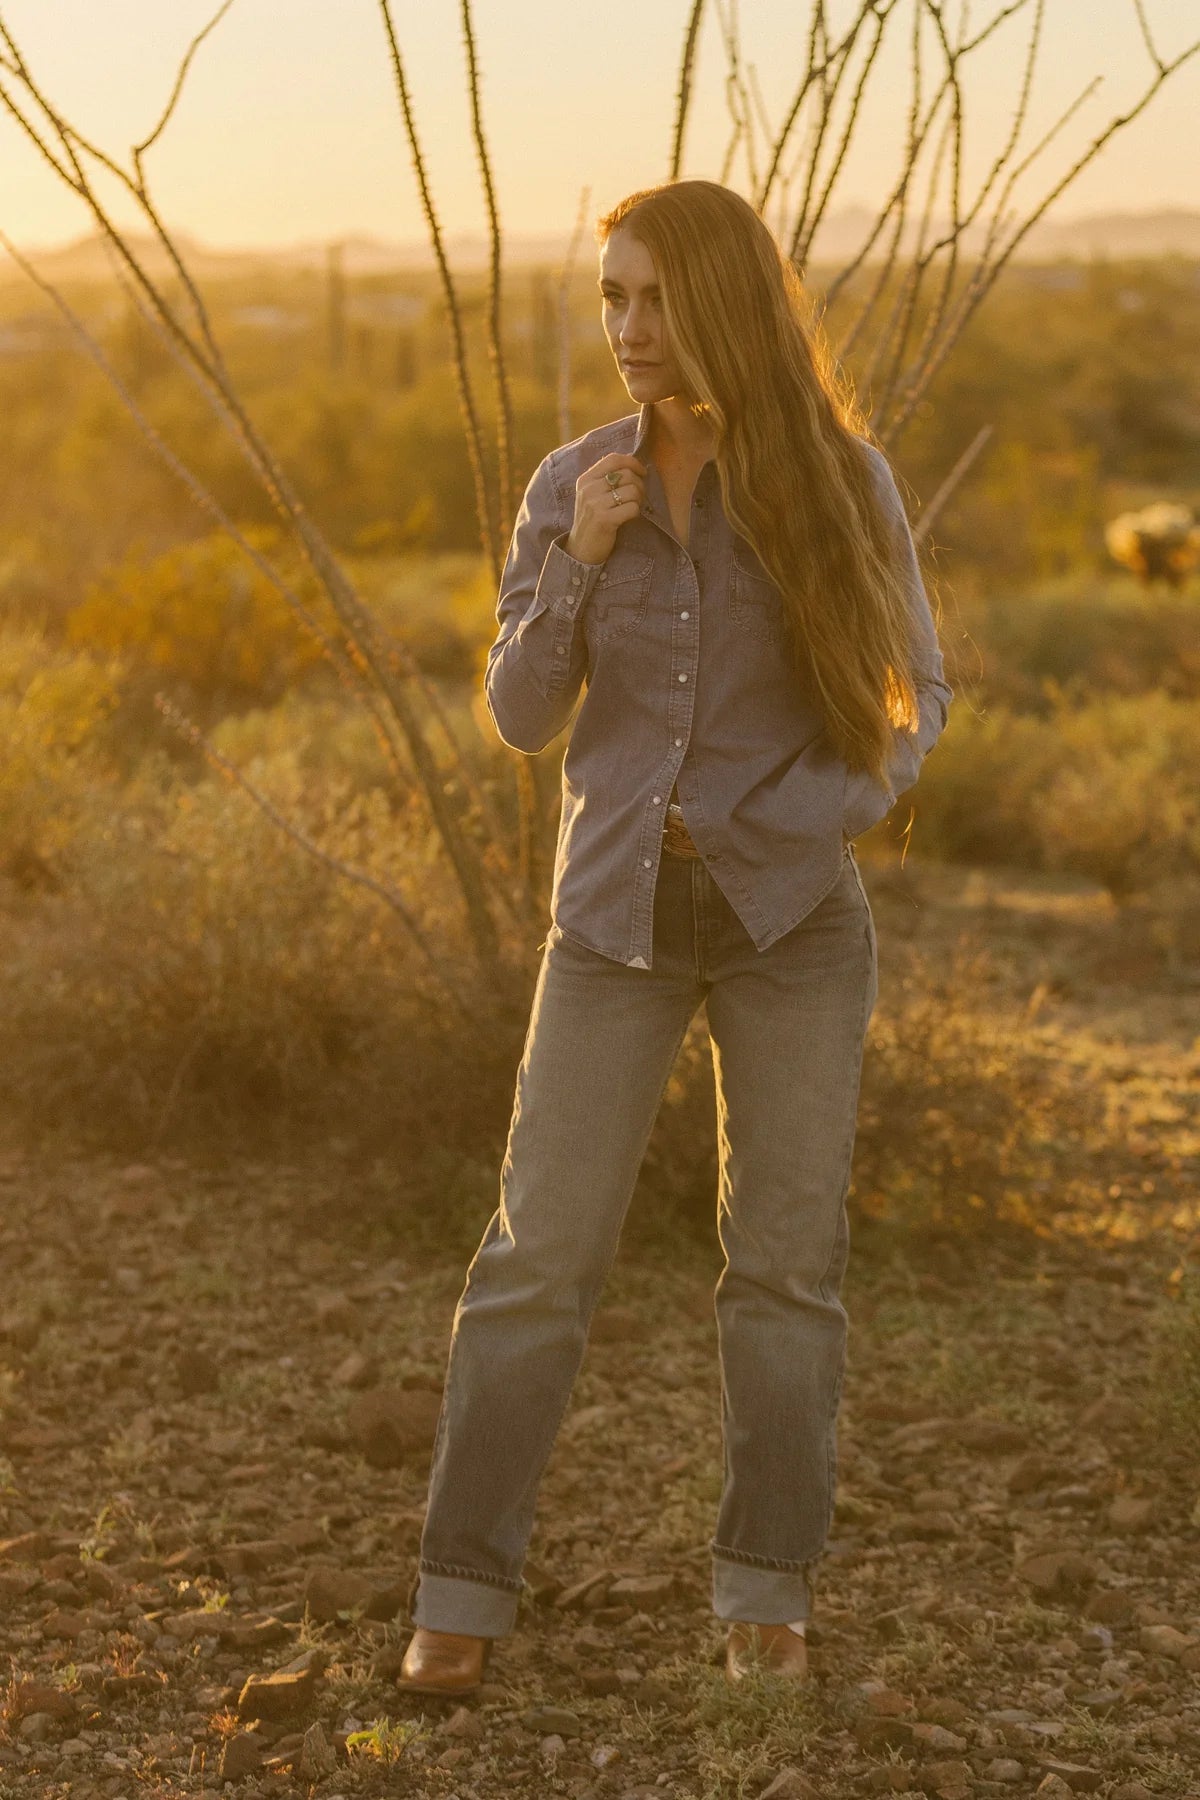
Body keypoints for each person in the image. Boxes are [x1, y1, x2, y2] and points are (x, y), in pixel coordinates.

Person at [397, 178, 953, 1696]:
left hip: (793, 924)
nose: (629, 330)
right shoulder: (575, 482)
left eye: (657, 298)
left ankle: (767, 1593)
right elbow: (520, 717)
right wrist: (579, 559)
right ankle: (461, 1592)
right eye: (613, 299)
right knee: (538, 1260)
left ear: (727, 303)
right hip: (611, 926)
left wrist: (812, 815)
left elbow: (917, 693)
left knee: (784, 1272)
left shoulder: (838, 482)